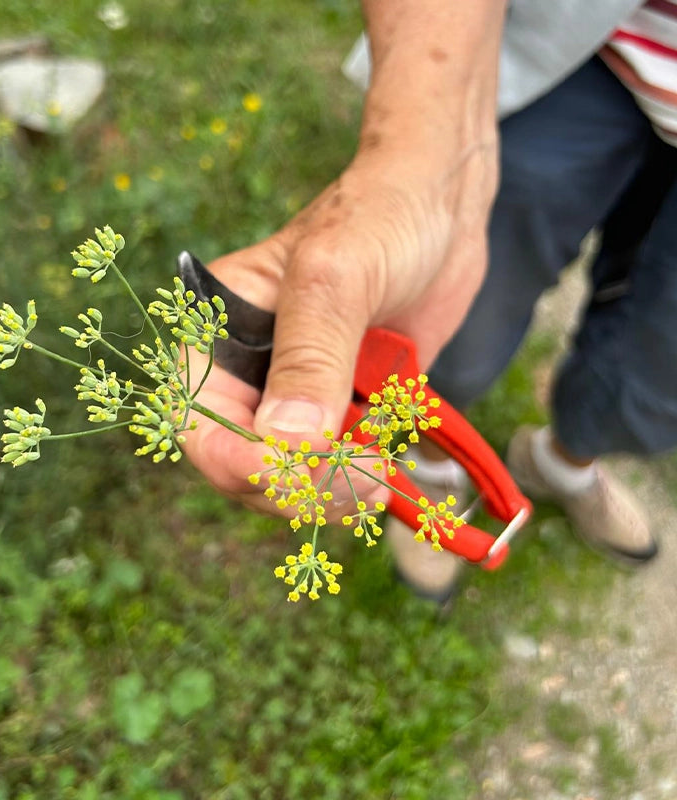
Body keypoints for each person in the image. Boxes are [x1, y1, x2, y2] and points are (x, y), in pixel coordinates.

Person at [181, 0, 676, 602]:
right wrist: (416, 161)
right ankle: (429, 475)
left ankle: (563, 464)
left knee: (660, 366)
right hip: (579, 51)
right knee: (459, 308)